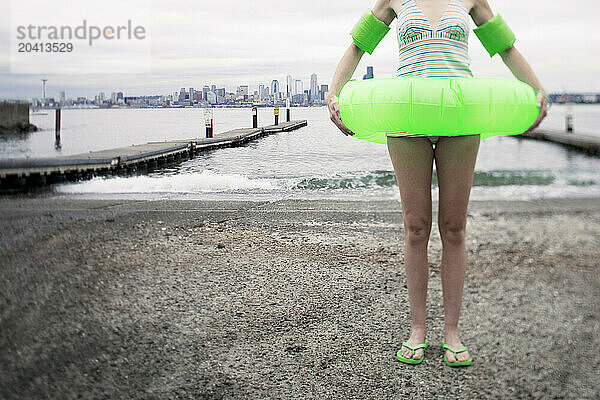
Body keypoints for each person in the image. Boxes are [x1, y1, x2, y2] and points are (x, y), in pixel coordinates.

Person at [326, 0, 549, 366]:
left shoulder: (472, 0)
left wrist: (537, 89)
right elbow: (357, 46)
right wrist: (334, 93)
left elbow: (506, 48)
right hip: (406, 118)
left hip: (460, 119)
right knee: (416, 227)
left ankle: (451, 331)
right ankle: (417, 329)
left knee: (454, 227)